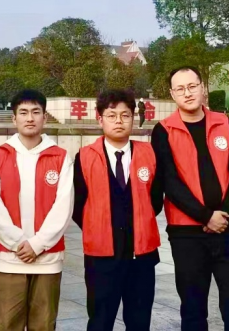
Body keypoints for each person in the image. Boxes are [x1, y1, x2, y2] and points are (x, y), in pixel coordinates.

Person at [151, 66, 229, 331]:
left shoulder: (224, 123)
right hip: (187, 235)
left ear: (203, 87)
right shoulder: (163, 131)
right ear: (172, 94)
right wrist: (206, 216)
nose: (187, 93)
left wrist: (225, 213)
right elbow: (169, 182)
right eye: (180, 89)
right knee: (193, 311)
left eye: (192, 86)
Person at [73, 89, 163, 331]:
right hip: (101, 257)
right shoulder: (84, 157)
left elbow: (155, 201)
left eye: (125, 115)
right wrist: (100, 227)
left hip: (141, 255)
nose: (119, 121)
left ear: (133, 118)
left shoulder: (149, 154)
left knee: (139, 321)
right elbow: (78, 206)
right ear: (99, 119)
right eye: (111, 116)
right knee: (100, 321)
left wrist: (137, 223)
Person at [0, 89, 74, 331]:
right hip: (8, 258)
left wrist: (38, 244)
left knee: (44, 325)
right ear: (14, 118)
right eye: (23, 112)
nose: (30, 118)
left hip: (48, 258)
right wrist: (17, 242)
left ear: (45, 117)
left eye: (36, 112)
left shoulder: (60, 157)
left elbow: (64, 205)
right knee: (8, 325)